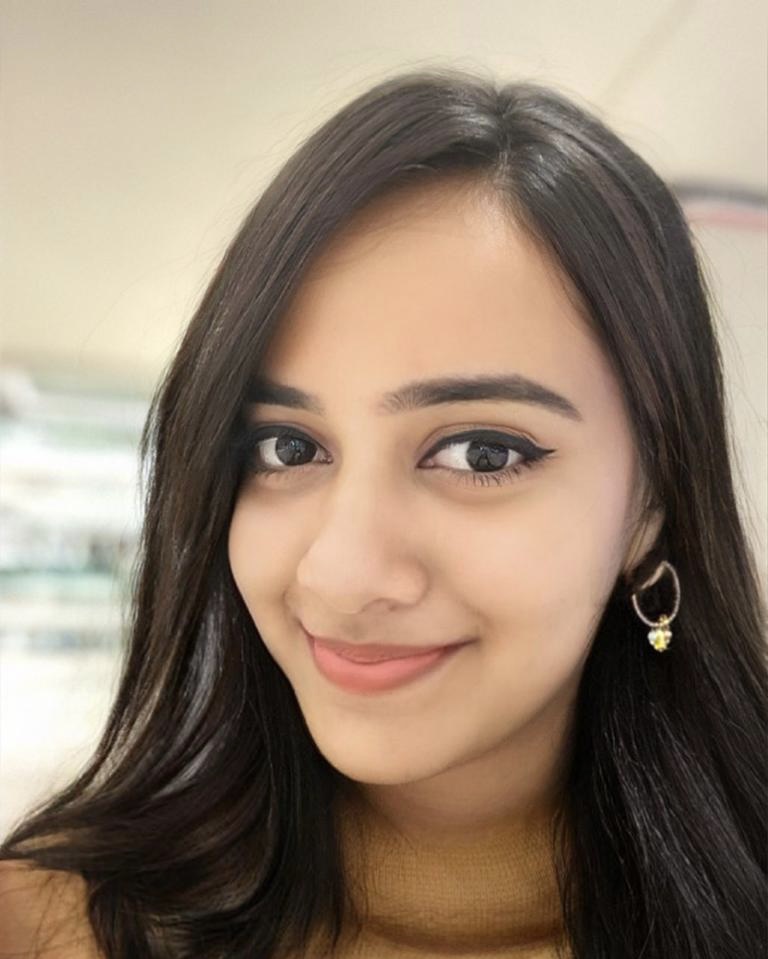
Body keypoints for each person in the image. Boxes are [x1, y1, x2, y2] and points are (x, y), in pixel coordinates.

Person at [1, 67, 766, 959]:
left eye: (482, 453)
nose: (342, 574)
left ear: (651, 504)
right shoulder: (43, 928)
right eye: (288, 447)